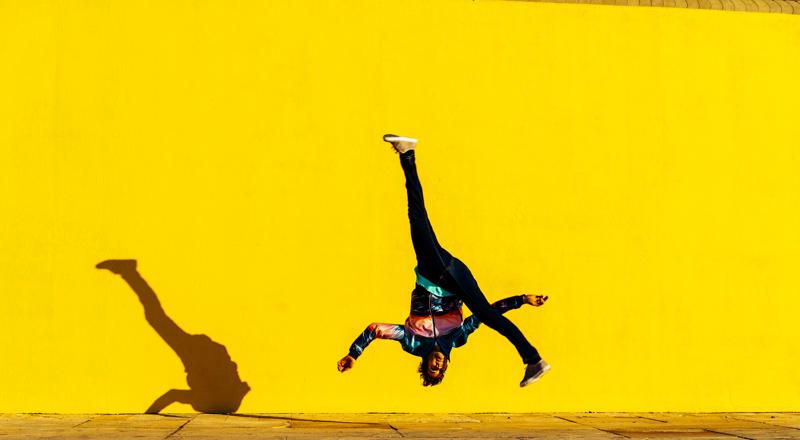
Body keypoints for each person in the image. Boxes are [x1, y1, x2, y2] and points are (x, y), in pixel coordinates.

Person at [337, 135, 550, 387]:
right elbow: (487, 312)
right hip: (455, 277)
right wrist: (522, 300)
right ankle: (407, 153)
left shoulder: (412, 341)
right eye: (440, 369)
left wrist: (354, 353)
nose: (437, 365)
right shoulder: (457, 338)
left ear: (425, 364)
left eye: (432, 369)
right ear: (446, 365)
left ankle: (533, 360)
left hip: (431, 273)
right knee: (487, 314)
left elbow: (374, 329)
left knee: (417, 217)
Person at [96, 259, 250, 413]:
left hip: (203, 354)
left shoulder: (216, 398)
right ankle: (129, 272)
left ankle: (129, 272)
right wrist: (148, 415)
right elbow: (172, 395)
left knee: (155, 316)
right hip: (199, 354)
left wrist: (148, 415)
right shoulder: (206, 397)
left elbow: (172, 395)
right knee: (155, 316)